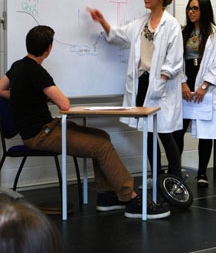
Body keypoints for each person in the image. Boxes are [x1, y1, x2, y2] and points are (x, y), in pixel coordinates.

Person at [0, 25, 170, 220]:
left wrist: (23, 96)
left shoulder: (17, 66)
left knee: (102, 137)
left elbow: (0, 89)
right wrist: (32, 95)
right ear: (48, 48)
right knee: (100, 146)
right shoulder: (37, 72)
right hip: (40, 135)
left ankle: (106, 197)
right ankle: (131, 199)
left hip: (46, 129)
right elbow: (64, 103)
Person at [88, 0, 183, 188]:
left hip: (161, 85)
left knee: (166, 133)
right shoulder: (142, 22)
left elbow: (175, 60)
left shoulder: (172, 24)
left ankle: (175, 178)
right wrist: (102, 21)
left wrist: (160, 81)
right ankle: (156, 176)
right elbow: (119, 35)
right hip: (142, 83)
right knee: (148, 132)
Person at [173, 0, 216, 187]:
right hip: (186, 81)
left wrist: (204, 87)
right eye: (189, 8)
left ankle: (202, 173)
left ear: (204, 10)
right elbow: (176, 60)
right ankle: (175, 171)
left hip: (207, 86)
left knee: (206, 131)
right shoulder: (182, 32)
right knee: (177, 130)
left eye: (195, 8)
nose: (191, 12)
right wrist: (182, 83)